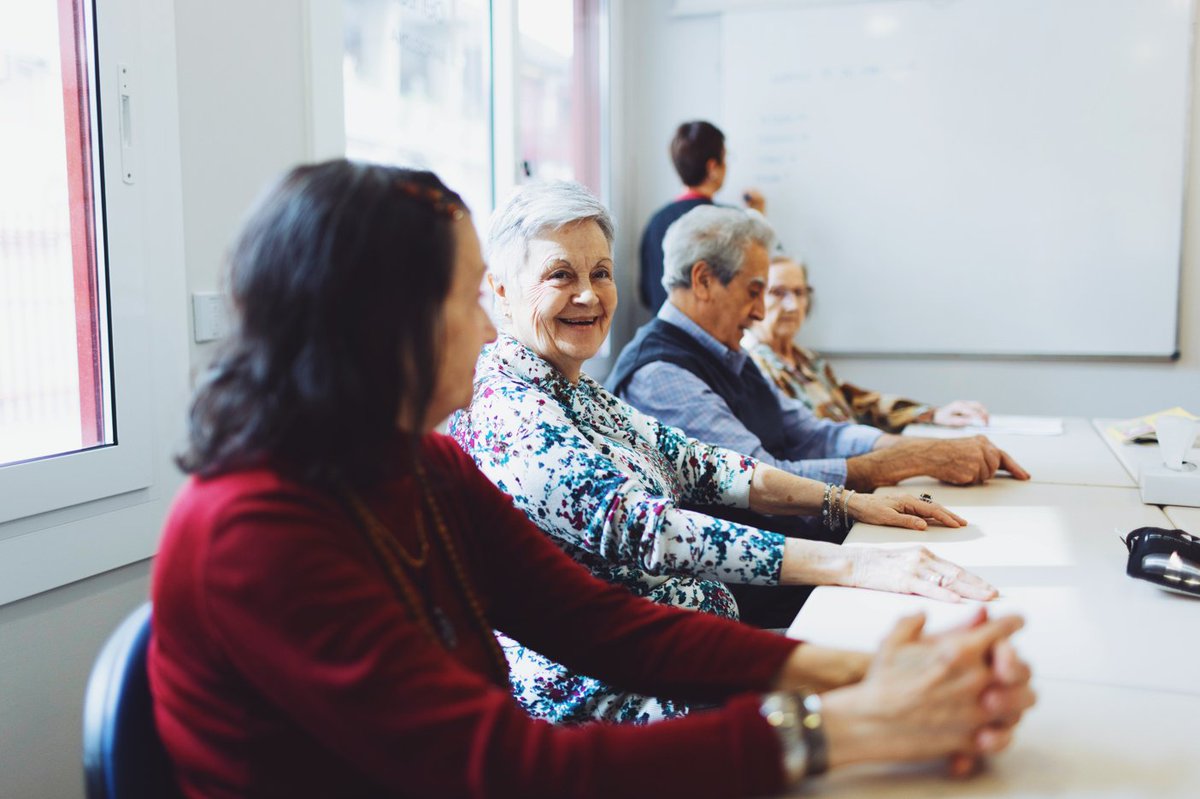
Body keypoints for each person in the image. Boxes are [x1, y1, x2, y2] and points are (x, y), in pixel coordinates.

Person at [148, 160, 1034, 798]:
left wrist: (862, 670)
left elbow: (598, 622)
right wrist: (855, 722)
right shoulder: (249, 533)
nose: (487, 333)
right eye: (467, 302)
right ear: (382, 328)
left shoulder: (421, 464)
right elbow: (499, 765)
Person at [451, 180, 996, 718]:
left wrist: (847, 503)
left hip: (688, 653)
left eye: (600, 273)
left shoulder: (571, 386)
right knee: (903, 703)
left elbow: (700, 463)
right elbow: (647, 529)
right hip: (617, 694)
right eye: (560, 275)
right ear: (500, 290)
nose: (589, 295)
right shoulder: (510, 410)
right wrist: (854, 563)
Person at [610, 205, 1031, 492]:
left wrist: (929, 451)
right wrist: (915, 461)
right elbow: (762, 480)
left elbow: (813, 433)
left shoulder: (724, 351)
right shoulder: (662, 375)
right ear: (702, 280)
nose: (761, 312)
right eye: (756, 292)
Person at [745, 256, 989, 432]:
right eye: (778, 292)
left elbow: (859, 404)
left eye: (800, 293)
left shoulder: (807, 359)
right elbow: (805, 440)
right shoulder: (751, 367)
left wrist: (933, 414)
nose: (793, 306)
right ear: (754, 298)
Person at [639, 120, 766, 311]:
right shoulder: (732, 221)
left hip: (664, 330)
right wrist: (757, 215)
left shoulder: (656, 221)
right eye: (726, 158)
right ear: (713, 167)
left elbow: (646, 293)